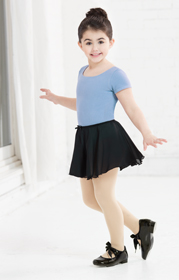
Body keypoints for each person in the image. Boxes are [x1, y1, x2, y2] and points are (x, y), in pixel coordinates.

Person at [39, 7, 167, 267]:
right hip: (86, 138)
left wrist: (147, 133)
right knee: (90, 199)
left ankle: (118, 250)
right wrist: (56, 99)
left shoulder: (115, 74)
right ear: (80, 45)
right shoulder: (82, 72)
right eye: (89, 42)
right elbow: (82, 103)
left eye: (100, 41)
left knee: (105, 197)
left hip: (106, 138)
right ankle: (140, 227)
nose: (95, 48)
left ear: (111, 42)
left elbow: (131, 107)